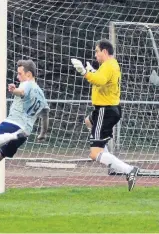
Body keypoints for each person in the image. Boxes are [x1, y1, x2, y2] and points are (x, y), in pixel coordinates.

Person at [0, 59, 49, 199]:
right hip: (25, 132)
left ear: (29, 74)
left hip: (13, 124)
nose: (18, 76)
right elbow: (45, 115)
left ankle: (12, 136)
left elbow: (21, 91)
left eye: (20, 74)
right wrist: (42, 133)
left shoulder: (27, 84)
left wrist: (14, 90)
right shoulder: (41, 93)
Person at [71, 39, 139, 191]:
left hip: (105, 110)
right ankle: (110, 160)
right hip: (105, 109)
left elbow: (100, 81)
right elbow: (103, 81)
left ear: (105, 52)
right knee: (88, 121)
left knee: (94, 154)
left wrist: (85, 72)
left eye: (97, 51)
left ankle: (129, 170)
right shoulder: (109, 65)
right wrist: (93, 72)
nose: (95, 55)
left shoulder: (109, 65)